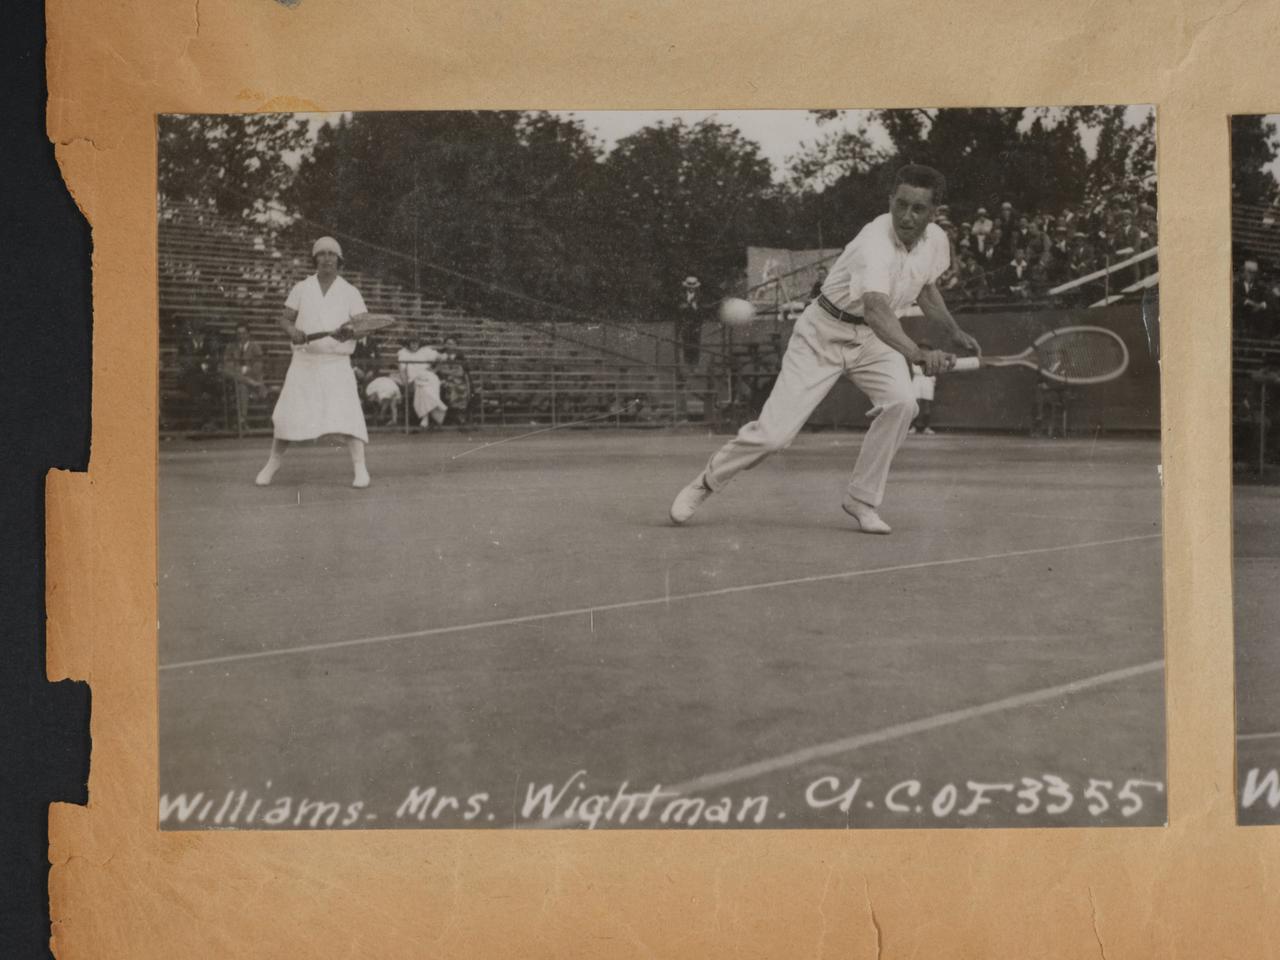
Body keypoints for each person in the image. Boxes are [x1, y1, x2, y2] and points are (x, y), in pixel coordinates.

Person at [668, 164, 981, 534]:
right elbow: (878, 310)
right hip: (823, 334)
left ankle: (862, 499)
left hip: (872, 342)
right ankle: (705, 483)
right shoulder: (873, 243)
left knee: (902, 403)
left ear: (934, 213)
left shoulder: (937, 242)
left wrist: (954, 331)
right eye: (900, 205)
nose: (906, 216)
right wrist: (916, 353)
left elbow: (926, 289)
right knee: (774, 437)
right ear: (890, 201)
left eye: (918, 209)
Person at [254, 237, 372, 488]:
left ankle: (360, 469)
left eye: (332, 254)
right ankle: (272, 463)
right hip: (304, 363)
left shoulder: (350, 291)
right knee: (286, 416)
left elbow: (363, 326)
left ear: (339, 260)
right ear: (315, 259)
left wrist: (350, 332)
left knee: (348, 416)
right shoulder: (301, 287)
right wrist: (292, 331)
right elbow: (284, 319)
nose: (327, 258)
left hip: (336, 364)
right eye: (322, 254)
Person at [222, 321, 267, 432]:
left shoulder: (255, 347)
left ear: (248, 334)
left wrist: (246, 370)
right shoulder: (231, 347)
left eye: (243, 333)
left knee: (242, 387)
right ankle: (242, 420)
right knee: (225, 371)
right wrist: (240, 370)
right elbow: (227, 364)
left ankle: (242, 420)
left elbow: (258, 366)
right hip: (234, 381)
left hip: (250, 380)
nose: (241, 336)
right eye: (238, 333)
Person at [397, 333, 448, 428]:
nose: (414, 345)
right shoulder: (403, 353)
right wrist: (405, 383)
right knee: (422, 388)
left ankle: (426, 417)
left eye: (416, 343)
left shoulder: (425, 351)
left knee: (425, 387)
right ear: (408, 344)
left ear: (419, 343)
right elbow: (402, 371)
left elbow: (443, 357)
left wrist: (435, 370)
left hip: (429, 377)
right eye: (412, 343)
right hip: (415, 379)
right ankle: (432, 412)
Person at [436, 336, 472, 425]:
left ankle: (459, 415)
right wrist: (442, 379)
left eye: (451, 344)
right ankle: (448, 417)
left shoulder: (460, 355)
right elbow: (437, 369)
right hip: (444, 379)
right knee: (448, 387)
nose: (449, 346)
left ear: (455, 345)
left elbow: (466, 370)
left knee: (461, 388)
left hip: (458, 379)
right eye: (447, 343)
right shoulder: (440, 354)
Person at [908, 341, 937, 436]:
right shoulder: (915, 359)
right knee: (916, 404)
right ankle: (913, 427)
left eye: (926, 348)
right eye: (922, 348)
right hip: (917, 381)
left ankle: (927, 428)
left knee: (927, 406)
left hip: (928, 381)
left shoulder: (932, 360)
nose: (924, 350)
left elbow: (932, 371)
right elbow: (916, 370)